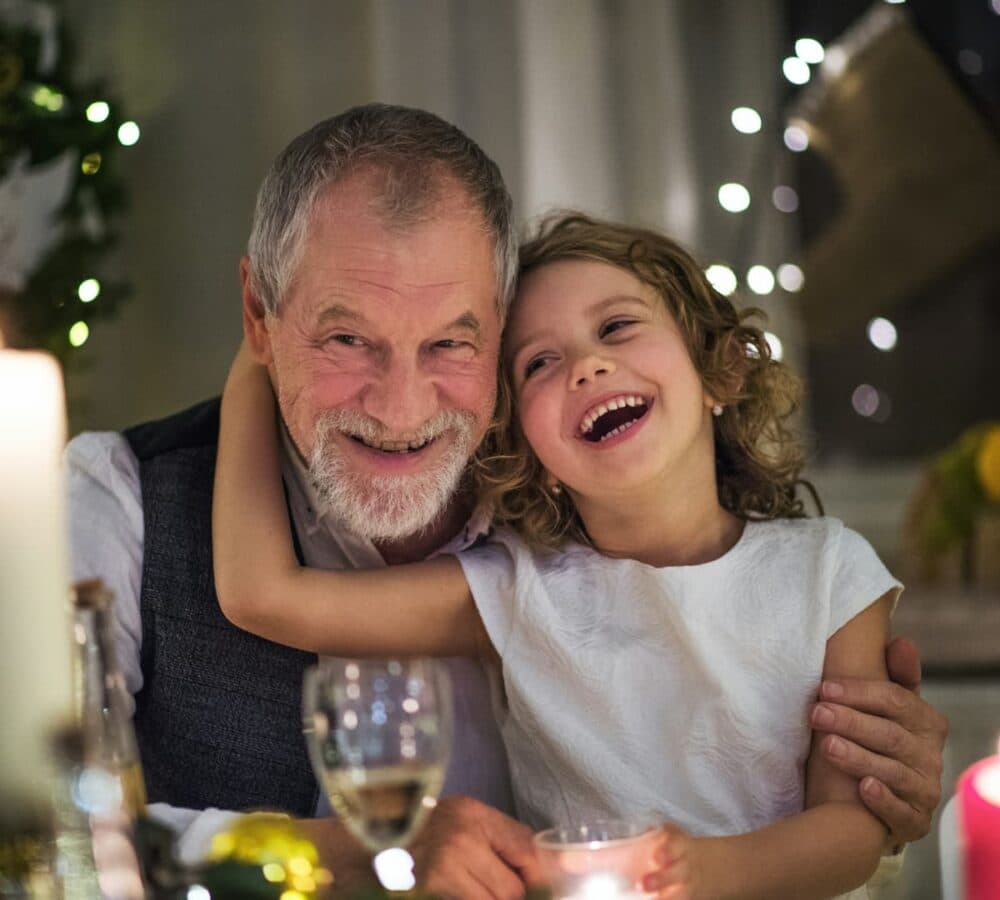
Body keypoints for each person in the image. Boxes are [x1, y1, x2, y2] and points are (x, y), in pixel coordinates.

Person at [66, 104, 947, 896]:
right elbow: (44, 838)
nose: (402, 408)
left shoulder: (584, 530)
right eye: (346, 338)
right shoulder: (117, 501)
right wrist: (362, 853)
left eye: (451, 342)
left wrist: (873, 792)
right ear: (260, 317)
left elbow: (854, 818)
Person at [214, 211, 914, 899]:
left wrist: (699, 875)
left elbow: (852, 830)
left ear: (719, 371)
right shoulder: (514, 593)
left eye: (615, 327)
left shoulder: (829, 573)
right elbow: (263, 595)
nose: (587, 365)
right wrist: (258, 359)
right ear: (528, 450)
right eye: (540, 363)